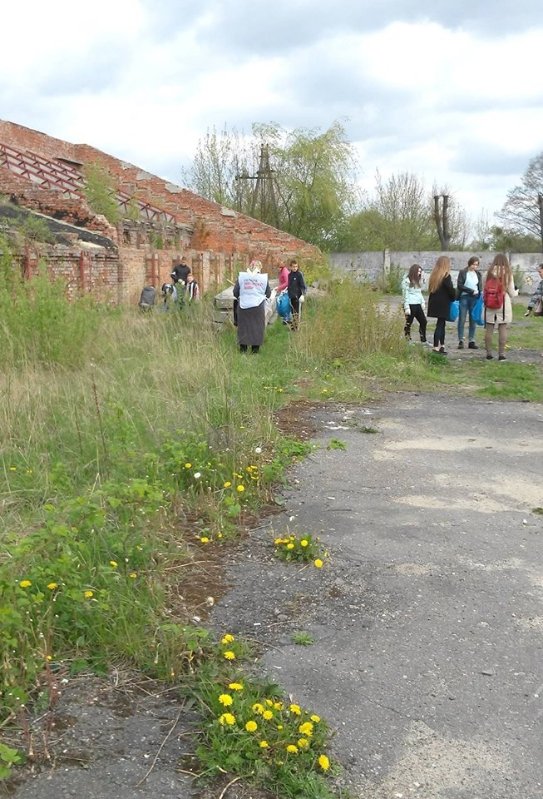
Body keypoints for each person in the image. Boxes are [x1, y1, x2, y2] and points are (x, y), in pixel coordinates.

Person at [483, 253, 518, 361]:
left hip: (489, 302)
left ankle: (489, 354)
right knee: (502, 327)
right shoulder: (508, 274)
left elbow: (483, 287)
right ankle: (501, 354)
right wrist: (516, 292)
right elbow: (512, 292)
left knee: (489, 328)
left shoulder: (487, 273)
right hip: (503, 303)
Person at [233, 259, 271, 353]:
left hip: (243, 306)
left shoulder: (241, 277)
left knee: (244, 327)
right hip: (258, 306)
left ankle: (243, 349)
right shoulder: (263, 278)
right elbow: (268, 293)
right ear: (260, 268)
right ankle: (255, 350)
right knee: (257, 327)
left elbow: (235, 292)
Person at [427, 255, 456, 354]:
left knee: (441, 324)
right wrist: (454, 297)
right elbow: (451, 290)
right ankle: (436, 347)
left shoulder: (434, 275)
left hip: (434, 303)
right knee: (440, 325)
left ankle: (442, 346)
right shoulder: (446, 276)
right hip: (443, 304)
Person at [457, 255, 483, 349]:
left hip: (475, 298)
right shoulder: (463, 272)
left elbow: (480, 286)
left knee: (473, 319)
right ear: (470, 263)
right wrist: (470, 291)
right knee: (462, 319)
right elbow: (460, 285)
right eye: (473, 264)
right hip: (464, 297)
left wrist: (480, 295)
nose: (474, 266)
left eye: (476, 265)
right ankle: (461, 340)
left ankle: (471, 340)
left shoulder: (478, 274)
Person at [402, 264, 428, 343]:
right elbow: (405, 294)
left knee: (423, 321)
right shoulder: (406, 281)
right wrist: (406, 307)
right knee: (409, 323)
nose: (419, 273)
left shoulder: (418, 281)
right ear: (414, 271)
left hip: (417, 304)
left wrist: (422, 302)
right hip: (410, 304)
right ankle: (407, 339)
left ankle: (423, 339)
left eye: (420, 272)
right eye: (418, 271)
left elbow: (419, 293)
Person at [287, 259, 306, 331]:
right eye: (293, 267)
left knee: (297, 313)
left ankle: (297, 328)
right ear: (290, 267)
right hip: (291, 296)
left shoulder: (299, 274)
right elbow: (290, 285)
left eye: (296, 266)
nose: (295, 268)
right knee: (293, 312)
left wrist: (303, 294)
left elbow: (303, 286)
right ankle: (293, 327)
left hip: (298, 297)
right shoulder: (289, 275)